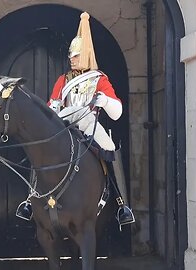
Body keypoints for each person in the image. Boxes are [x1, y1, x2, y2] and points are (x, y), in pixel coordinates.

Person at [47, 12, 135, 228]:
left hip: (89, 123)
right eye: (70, 55)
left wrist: (104, 100)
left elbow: (117, 112)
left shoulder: (99, 79)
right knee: (41, 144)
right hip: (64, 124)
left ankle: (121, 204)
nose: (71, 59)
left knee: (110, 148)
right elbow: (52, 105)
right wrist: (54, 107)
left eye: (75, 55)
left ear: (85, 55)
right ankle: (30, 200)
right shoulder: (63, 80)